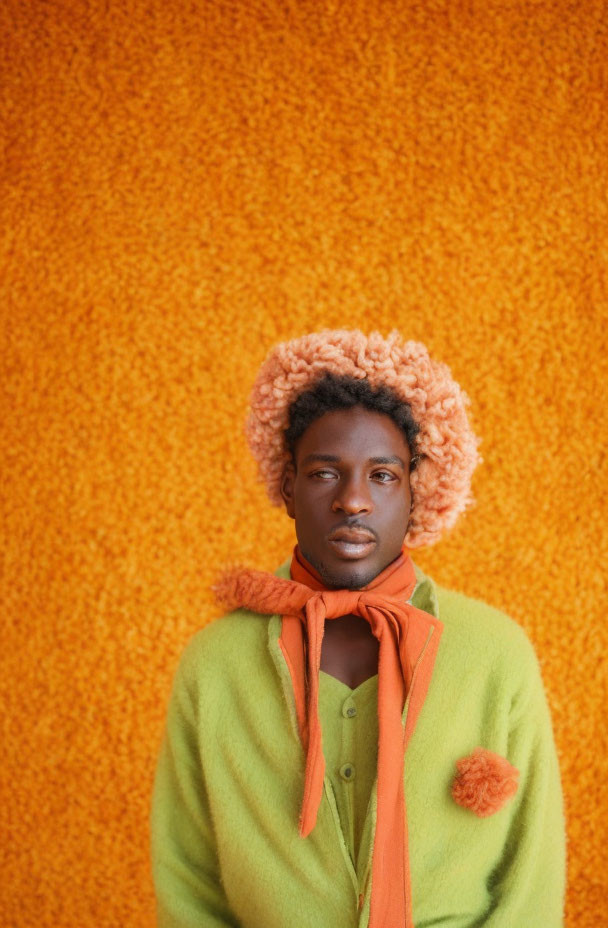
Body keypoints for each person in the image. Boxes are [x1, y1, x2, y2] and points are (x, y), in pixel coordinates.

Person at [150, 329, 566, 928]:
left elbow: (533, 878)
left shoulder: (496, 653)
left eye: (383, 475)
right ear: (288, 487)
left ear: (414, 491)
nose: (354, 501)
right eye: (324, 473)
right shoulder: (215, 664)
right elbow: (186, 875)